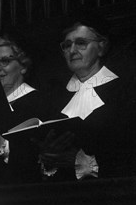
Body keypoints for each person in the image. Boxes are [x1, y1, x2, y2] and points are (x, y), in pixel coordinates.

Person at [39, 13, 136, 180]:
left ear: (101, 47)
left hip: (111, 191)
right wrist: (48, 159)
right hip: (60, 194)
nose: (72, 50)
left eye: (81, 43)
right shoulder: (54, 97)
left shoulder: (125, 91)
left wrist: (83, 162)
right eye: (67, 45)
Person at [0, 34, 46, 184]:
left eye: (5, 61)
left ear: (23, 67)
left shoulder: (39, 103)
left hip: (21, 190)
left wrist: (2, 146)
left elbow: (39, 158)